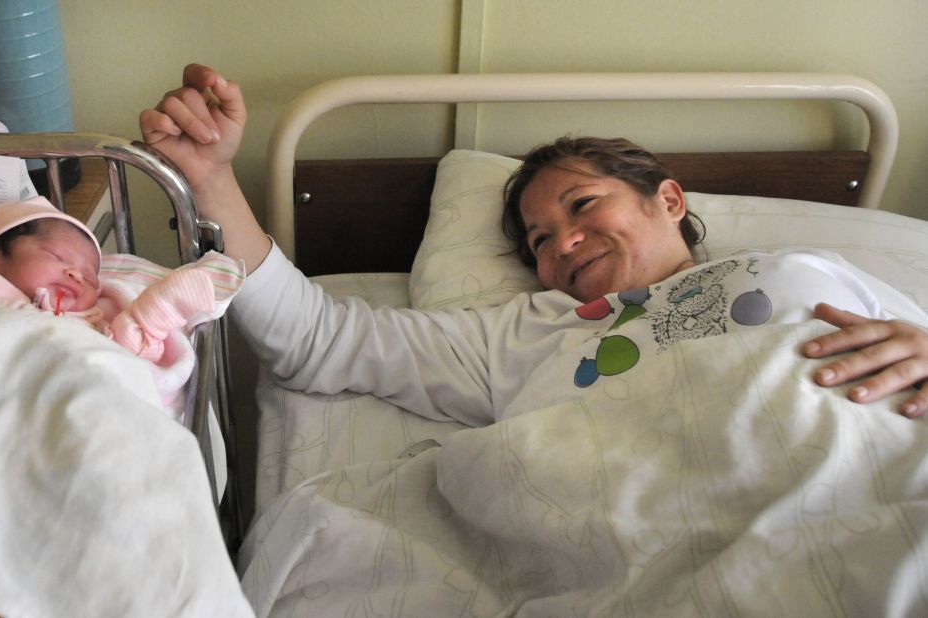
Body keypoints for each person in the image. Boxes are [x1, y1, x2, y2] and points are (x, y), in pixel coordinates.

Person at [139, 63, 928, 421]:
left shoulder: (804, 271)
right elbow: (316, 337)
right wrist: (210, 178)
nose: (565, 243)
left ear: (670, 200)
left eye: (585, 205)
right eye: (539, 239)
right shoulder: (534, 333)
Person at [0, 192, 243, 370]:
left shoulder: (94, 319)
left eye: (91, 275)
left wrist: (141, 324)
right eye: (57, 258)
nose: (77, 274)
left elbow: (120, 366)